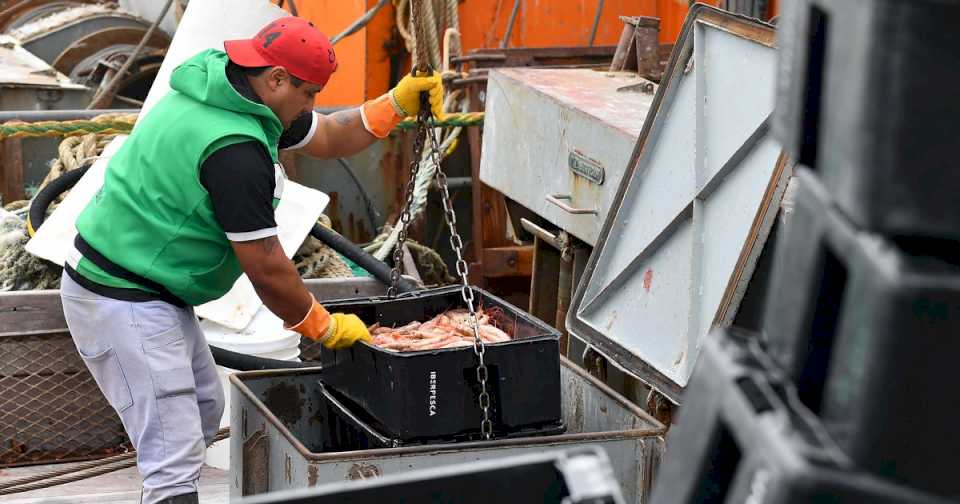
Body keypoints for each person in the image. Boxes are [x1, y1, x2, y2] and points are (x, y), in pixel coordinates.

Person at [58, 16, 443, 504]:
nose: (311, 104)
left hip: (154, 289)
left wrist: (396, 104)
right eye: (308, 93)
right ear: (278, 79)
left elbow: (328, 135)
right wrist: (323, 327)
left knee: (201, 407)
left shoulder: (229, 87)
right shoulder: (234, 151)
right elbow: (265, 265)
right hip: (122, 296)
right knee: (172, 457)